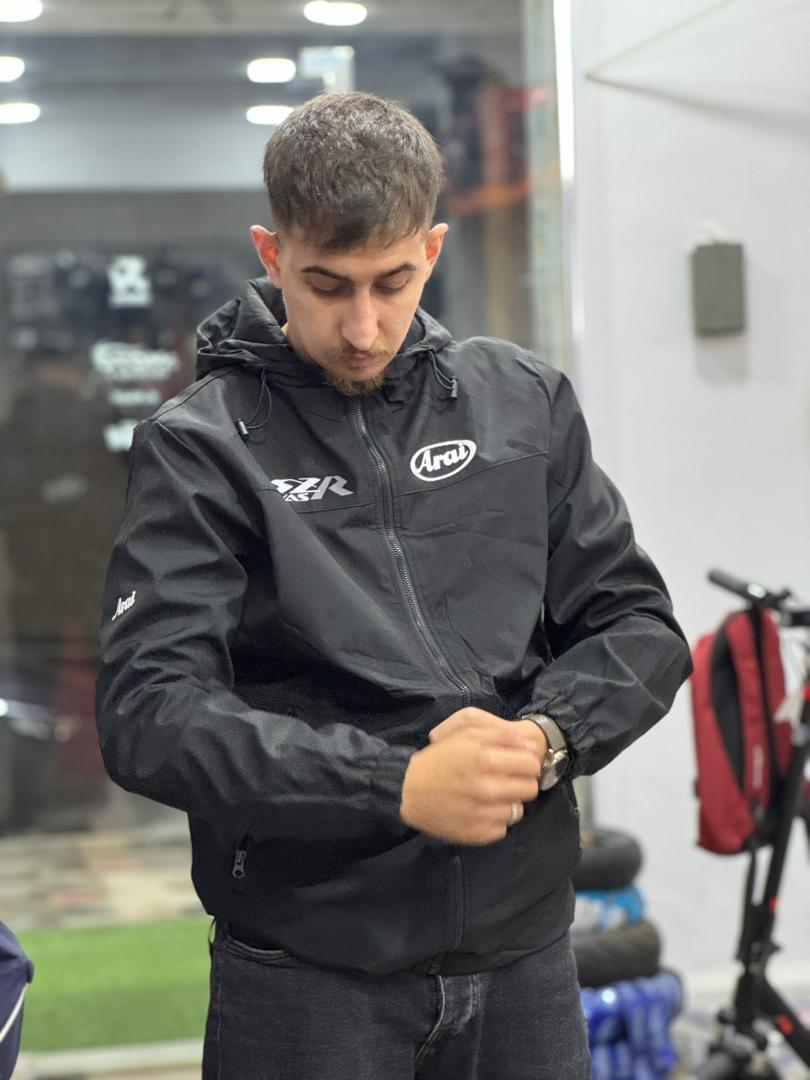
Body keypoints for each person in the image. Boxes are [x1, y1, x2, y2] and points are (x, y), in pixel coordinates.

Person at [96, 91, 692, 1080]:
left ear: (433, 248)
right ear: (271, 253)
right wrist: (397, 785)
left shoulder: (523, 404)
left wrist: (542, 740)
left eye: (394, 281)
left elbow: (639, 626)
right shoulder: (201, 447)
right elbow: (149, 714)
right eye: (327, 286)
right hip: (309, 976)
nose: (364, 327)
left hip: (524, 960)